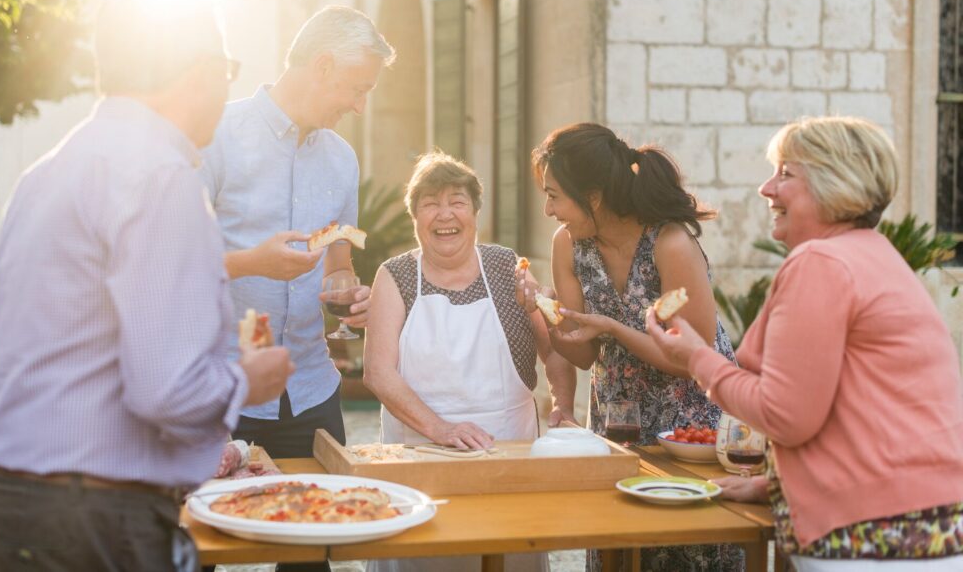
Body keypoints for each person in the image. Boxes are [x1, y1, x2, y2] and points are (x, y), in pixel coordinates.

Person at [0, 0, 292, 572]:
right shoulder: (161, 177)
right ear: (200, 74)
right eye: (227, 72)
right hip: (94, 521)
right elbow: (166, 391)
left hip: (0, 505)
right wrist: (246, 379)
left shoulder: (43, 176)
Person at [647, 116, 963, 571]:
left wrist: (696, 356)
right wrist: (782, 483)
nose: (766, 189)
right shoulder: (872, 255)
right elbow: (861, 410)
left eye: (785, 174)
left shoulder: (821, 261)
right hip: (917, 528)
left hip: (871, 537)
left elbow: (785, 415)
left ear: (835, 184)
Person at [527, 122, 742, 572]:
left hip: (689, 428)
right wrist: (540, 313)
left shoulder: (670, 242)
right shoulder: (568, 245)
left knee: (691, 549)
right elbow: (583, 354)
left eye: (554, 195)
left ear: (594, 196)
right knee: (620, 550)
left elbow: (697, 360)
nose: (547, 209)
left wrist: (615, 328)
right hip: (618, 424)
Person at [200, 5, 395, 468]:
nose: (359, 106)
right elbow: (170, 263)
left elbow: (339, 263)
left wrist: (349, 293)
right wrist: (252, 263)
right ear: (322, 65)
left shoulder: (343, 159)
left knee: (326, 526)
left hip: (312, 391)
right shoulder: (215, 136)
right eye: (357, 89)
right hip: (225, 389)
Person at [364, 151, 577, 572]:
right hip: (420, 463)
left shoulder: (505, 266)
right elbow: (378, 373)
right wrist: (441, 429)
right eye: (430, 203)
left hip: (508, 464)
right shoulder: (395, 276)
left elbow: (553, 347)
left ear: (476, 212)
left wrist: (563, 406)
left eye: (457, 201)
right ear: (415, 217)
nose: (445, 214)